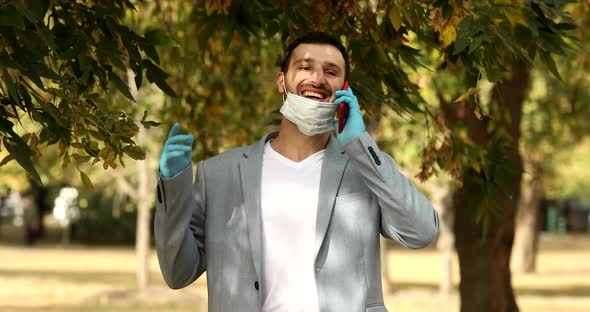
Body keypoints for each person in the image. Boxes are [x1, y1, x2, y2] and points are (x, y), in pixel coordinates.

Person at [155, 32, 439, 312]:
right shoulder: (218, 174)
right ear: (282, 81)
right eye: (305, 67)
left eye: (331, 71)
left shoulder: (364, 168)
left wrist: (360, 144)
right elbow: (178, 272)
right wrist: (173, 188)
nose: (317, 79)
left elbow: (420, 232)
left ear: (344, 87)